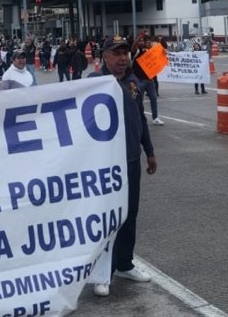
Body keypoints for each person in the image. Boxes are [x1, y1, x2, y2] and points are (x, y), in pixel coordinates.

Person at [88, 36, 156, 297]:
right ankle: (100, 274)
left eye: (125, 53)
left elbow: (140, 118)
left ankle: (124, 264)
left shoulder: (132, 82)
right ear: (104, 56)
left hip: (131, 160)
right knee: (106, 220)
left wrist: (148, 151)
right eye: (115, 53)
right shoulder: (95, 84)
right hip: (106, 164)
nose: (121, 58)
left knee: (129, 215)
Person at [131, 36, 162, 125]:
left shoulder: (149, 51)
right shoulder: (137, 52)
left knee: (153, 98)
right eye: (140, 41)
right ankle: (139, 117)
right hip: (139, 80)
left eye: (142, 41)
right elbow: (133, 47)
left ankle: (155, 117)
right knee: (139, 100)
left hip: (149, 79)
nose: (142, 43)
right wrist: (136, 40)